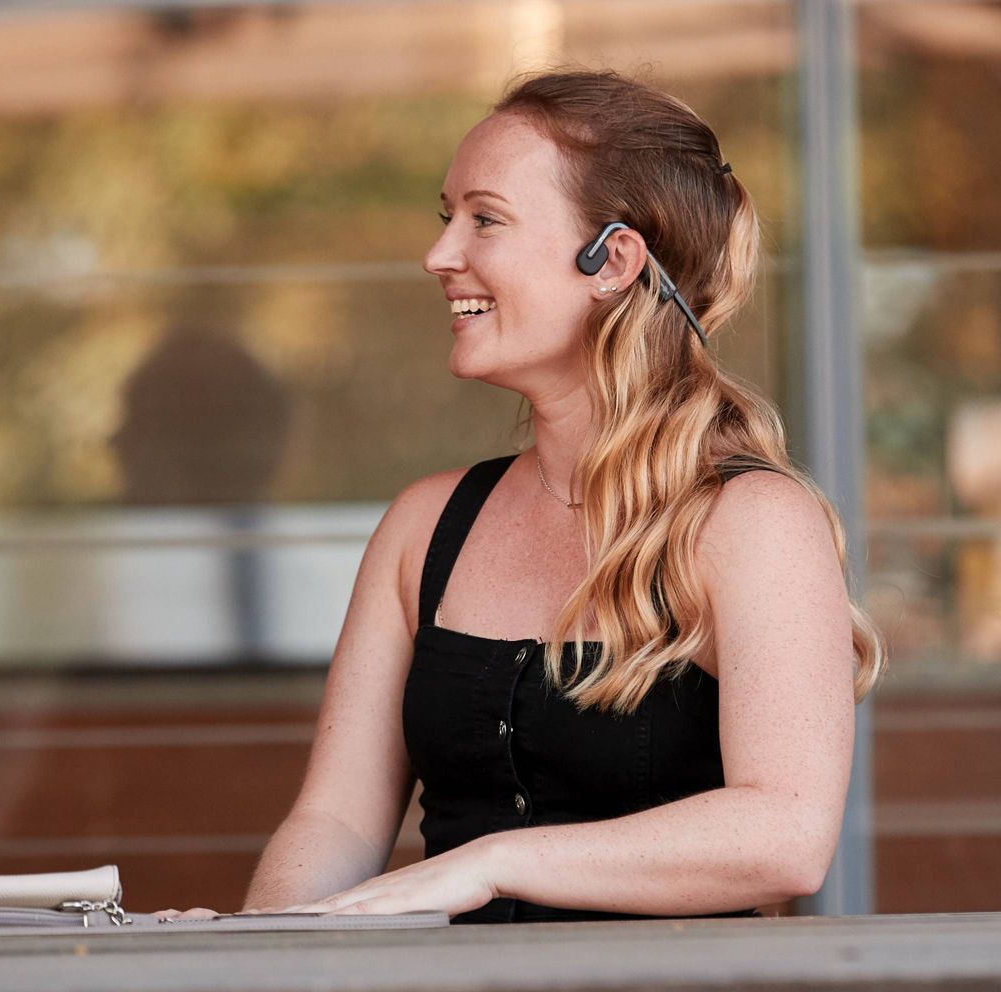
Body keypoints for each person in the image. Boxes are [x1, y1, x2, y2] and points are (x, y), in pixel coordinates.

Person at [156, 67, 888, 926]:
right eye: (447, 217)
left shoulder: (753, 522)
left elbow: (784, 837)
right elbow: (336, 820)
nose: (440, 255)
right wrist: (255, 945)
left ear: (612, 260)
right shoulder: (426, 525)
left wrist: (492, 863)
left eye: (485, 219)